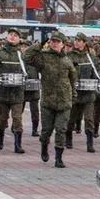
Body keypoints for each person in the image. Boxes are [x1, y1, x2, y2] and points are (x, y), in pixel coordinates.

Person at [24, 32, 77, 166]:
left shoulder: (67, 60)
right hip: (48, 100)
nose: (54, 43)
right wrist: (39, 44)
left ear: (63, 44)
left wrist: (73, 97)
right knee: (46, 130)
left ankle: (59, 158)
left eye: (58, 41)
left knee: (61, 129)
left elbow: (72, 80)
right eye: (52, 41)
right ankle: (44, 148)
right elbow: (26, 57)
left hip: (64, 101)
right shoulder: (44, 57)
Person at [0, 28, 28, 153]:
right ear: (6, 37)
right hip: (2, 92)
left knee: (17, 119)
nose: (13, 37)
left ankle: (18, 145)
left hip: (17, 93)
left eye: (16, 35)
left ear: (19, 39)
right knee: (2, 119)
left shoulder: (22, 54)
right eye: (11, 35)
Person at [66, 33, 100, 152]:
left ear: (84, 42)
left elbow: (97, 74)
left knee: (89, 118)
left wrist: (94, 82)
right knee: (71, 118)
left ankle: (90, 143)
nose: (76, 42)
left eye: (79, 40)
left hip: (88, 94)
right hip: (74, 93)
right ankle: (68, 138)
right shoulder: (68, 56)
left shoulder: (91, 58)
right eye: (75, 40)